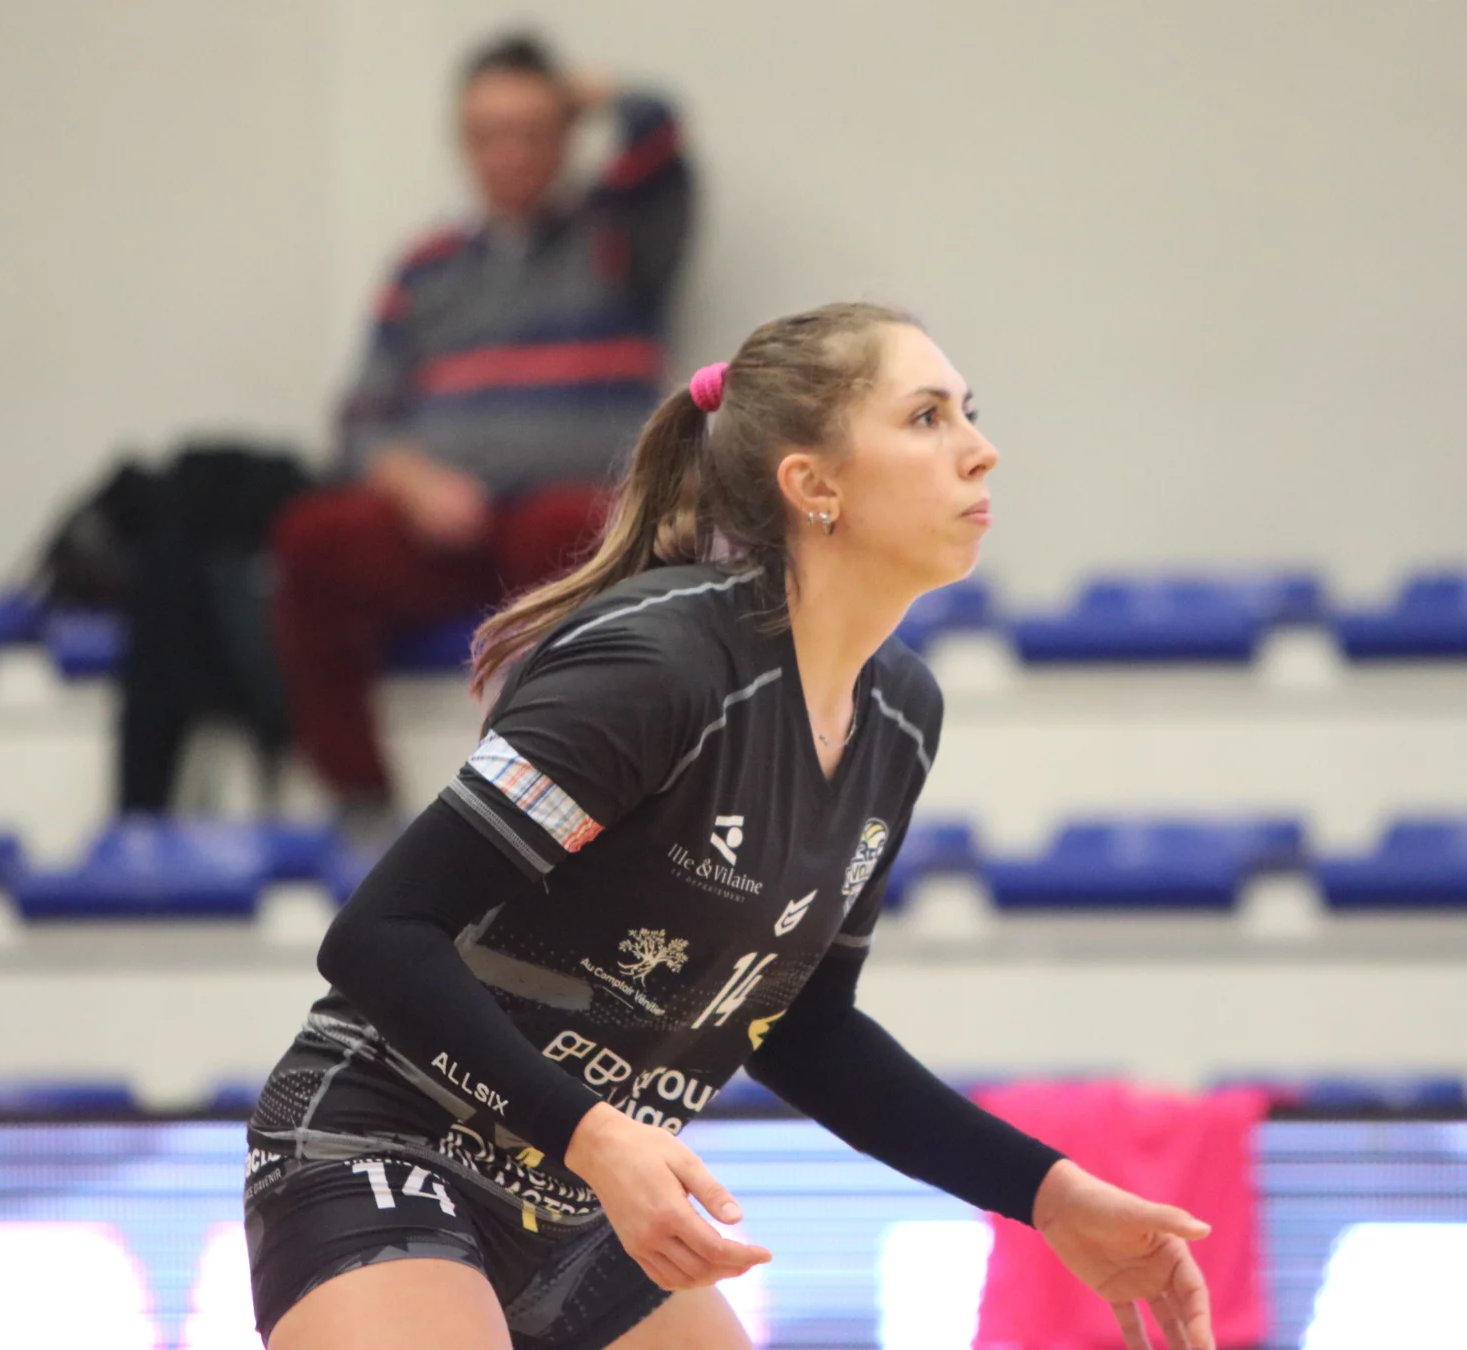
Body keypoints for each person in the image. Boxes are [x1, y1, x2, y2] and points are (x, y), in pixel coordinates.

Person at [244, 303, 1217, 1350]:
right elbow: (378, 935)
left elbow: (803, 1029)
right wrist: (595, 1138)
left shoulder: (900, 714)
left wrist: (1047, 1195)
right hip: (389, 1145)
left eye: (968, 415)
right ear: (814, 484)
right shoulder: (659, 667)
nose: (981, 452)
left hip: (583, 1198)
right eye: (928, 418)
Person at [272, 31, 692, 827]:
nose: (508, 153)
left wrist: (587, 92)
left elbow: (662, 138)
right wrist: (413, 482)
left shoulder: (620, 243)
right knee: (313, 537)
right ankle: (361, 798)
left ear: (567, 134)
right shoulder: (424, 266)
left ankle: (554, 796)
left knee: (582, 532)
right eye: (487, 134)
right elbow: (359, 420)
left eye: (530, 131)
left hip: (560, 531)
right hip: (439, 523)